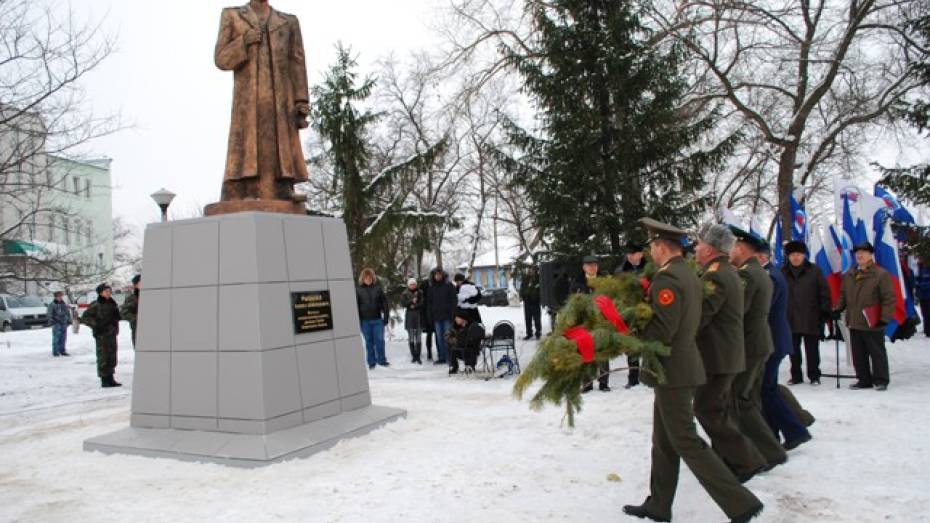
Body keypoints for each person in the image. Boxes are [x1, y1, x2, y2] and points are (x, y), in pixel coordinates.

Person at [623, 218, 762, 523]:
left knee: (686, 441)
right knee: (663, 442)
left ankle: (740, 503)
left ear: (661, 246)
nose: (651, 253)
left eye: (652, 247)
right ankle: (659, 504)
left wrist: (630, 338)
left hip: (674, 370)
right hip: (680, 368)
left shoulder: (668, 279)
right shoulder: (687, 273)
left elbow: (663, 330)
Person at [692, 224, 767, 483]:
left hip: (718, 355)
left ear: (711, 249)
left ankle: (747, 461)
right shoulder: (728, 271)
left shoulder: (715, 276)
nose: (696, 248)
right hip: (725, 354)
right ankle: (733, 458)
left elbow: (702, 316)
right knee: (716, 408)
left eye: (700, 244)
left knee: (707, 409)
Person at [728, 226, 788, 470]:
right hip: (759, 341)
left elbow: (738, 311)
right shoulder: (756, 272)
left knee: (741, 399)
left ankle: (770, 451)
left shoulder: (748, 275)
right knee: (749, 397)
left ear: (741, 248)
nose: (729, 251)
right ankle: (764, 448)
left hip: (751, 343)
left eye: (732, 246)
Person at [758, 247, 812, 451]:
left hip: (773, 340)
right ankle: (778, 432)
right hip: (774, 339)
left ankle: (795, 431)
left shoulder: (770, 276)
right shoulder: (771, 274)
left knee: (766, 388)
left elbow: (763, 308)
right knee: (767, 388)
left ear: (762, 256)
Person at [834, 242, 897, 390]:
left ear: (871, 255)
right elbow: (843, 295)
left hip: (873, 321)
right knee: (858, 353)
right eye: (857, 253)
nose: (860, 255)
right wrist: (838, 308)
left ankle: (881, 379)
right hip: (854, 320)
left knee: (876, 352)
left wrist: (884, 318)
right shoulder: (849, 274)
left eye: (863, 252)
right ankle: (864, 379)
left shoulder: (881, 274)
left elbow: (889, 298)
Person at [781, 241, 831, 385]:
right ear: (788, 256)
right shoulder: (782, 272)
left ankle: (814, 375)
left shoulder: (815, 271)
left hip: (811, 316)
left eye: (799, 254)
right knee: (793, 350)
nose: (796, 257)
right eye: (792, 255)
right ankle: (796, 375)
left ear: (804, 255)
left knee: (812, 350)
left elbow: (824, 292)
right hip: (789, 317)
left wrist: (824, 311)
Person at [572, 255, 610, 393]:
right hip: (585, 322)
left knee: (603, 352)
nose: (592, 267)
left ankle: (604, 382)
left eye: (595, 264)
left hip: (601, 321)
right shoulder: (577, 284)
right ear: (584, 267)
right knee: (585, 351)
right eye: (589, 265)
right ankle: (587, 383)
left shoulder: (605, 282)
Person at [80, 283, 122, 388]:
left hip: (111, 333)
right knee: (103, 356)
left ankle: (111, 378)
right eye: (106, 291)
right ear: (100, 293)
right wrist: (96, 326)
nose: (108, 293)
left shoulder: (112, 303)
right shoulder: (96, 304)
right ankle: (104, 379)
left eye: (109, 291)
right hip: (101, 335)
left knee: (112, 356)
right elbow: (85, 317)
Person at [618, 241, 647, 388]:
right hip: (629, 313)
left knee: (650, 343)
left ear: (641, 254)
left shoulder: (649, 268)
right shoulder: (621, 270)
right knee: (631, 345)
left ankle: (650, 375)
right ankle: (633, 378)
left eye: (633, 254)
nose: (629, 257)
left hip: (647, 311)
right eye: (628, 254)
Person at [356, 268, 390, 370]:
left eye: (370, 277)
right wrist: (358, 321)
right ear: (363, 278)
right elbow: (356, 306)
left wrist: (386, 317)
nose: (368, 279)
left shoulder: (378, 289)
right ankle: (371, 362)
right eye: (366, 277)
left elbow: (385, 304)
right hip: (365, 321)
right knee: (369, 342)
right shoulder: (358, 290)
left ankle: (381, 360)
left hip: (377, 320)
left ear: (373, 278)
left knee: (379, 341)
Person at [426, 268, 457, 365]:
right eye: (436, 275)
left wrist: (453, 314)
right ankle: (442, 357)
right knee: (439, 338)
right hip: (436, 317)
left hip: (447, 316)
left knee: (448, 338)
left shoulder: (449, 286)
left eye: (439, 274)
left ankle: (450, 358)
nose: (438, 276)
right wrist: (430, 316)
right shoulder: (431, 287)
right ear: (433, 276)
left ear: (442, 275)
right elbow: (429, 303)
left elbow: (454, 301)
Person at [445, 309, 486, 375]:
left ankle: (470, 366)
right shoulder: (454, 326)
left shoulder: (472, 326)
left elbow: (479, 336)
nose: (456, 319)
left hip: (471, 349)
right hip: (459, 348)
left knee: (471, 348)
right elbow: (447, 336)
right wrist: (455, 340)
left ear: (463, 319)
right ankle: (454, 366)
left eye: (457, 318)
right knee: (449, 346)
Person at [400, 278, 425, 364]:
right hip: (410, 316)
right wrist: (411, 302)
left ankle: (418, 356)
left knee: (418, 337)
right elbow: (402, 303)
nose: (413, 285)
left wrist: (416, 305)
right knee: (411, 337)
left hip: (419, 316)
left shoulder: (420, 292)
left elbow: (422, 302)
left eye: (414, 284)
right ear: (408, 285)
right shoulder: (405, 293)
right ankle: (413, 356)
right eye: (411, 284)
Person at [46, 291, 72, 357]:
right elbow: (49, 314)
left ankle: (62, 350)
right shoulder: (52, 305)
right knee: (56, 338)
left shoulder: (64, 304)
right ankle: (55, 351)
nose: (60, 297)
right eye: (59, 296)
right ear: (55, 297)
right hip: (56, 323)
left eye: (61, 296)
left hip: (64, 322)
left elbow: (67, 313)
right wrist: (52, 320)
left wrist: (69, 320)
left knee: (63, 338)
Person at [519, 266, 542, 340]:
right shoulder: (525, 279)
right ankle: (529, 333)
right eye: (529, 269)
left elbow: (540, 290)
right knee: (528, 319)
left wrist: (537, 297)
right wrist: (523, 296)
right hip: (527, 302)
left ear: (535, 270)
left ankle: (538, 332)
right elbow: (522, 289)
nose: (530, 271)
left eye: (531, 269)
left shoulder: (538, 279)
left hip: (535, 302)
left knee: (537, 319)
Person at [120, 274, 142, 348]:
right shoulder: (132, 298)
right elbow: (124, 313)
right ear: (136, 285)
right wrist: (135, 318)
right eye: (141, 282)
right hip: (138, 329)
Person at [419, 276, 436, 361]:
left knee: (430, 335)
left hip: (429, 315)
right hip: (430, 315)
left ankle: (430, 352)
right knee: (434, 334)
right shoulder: (431, 287)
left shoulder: (424, 289)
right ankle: (430, 352)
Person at [917, 257, 930, 337]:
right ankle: (926, 329)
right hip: (923, 296)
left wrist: (921, 285)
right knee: (924, 313)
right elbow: (918, 280)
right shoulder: (921, 268)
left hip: (928, 296)